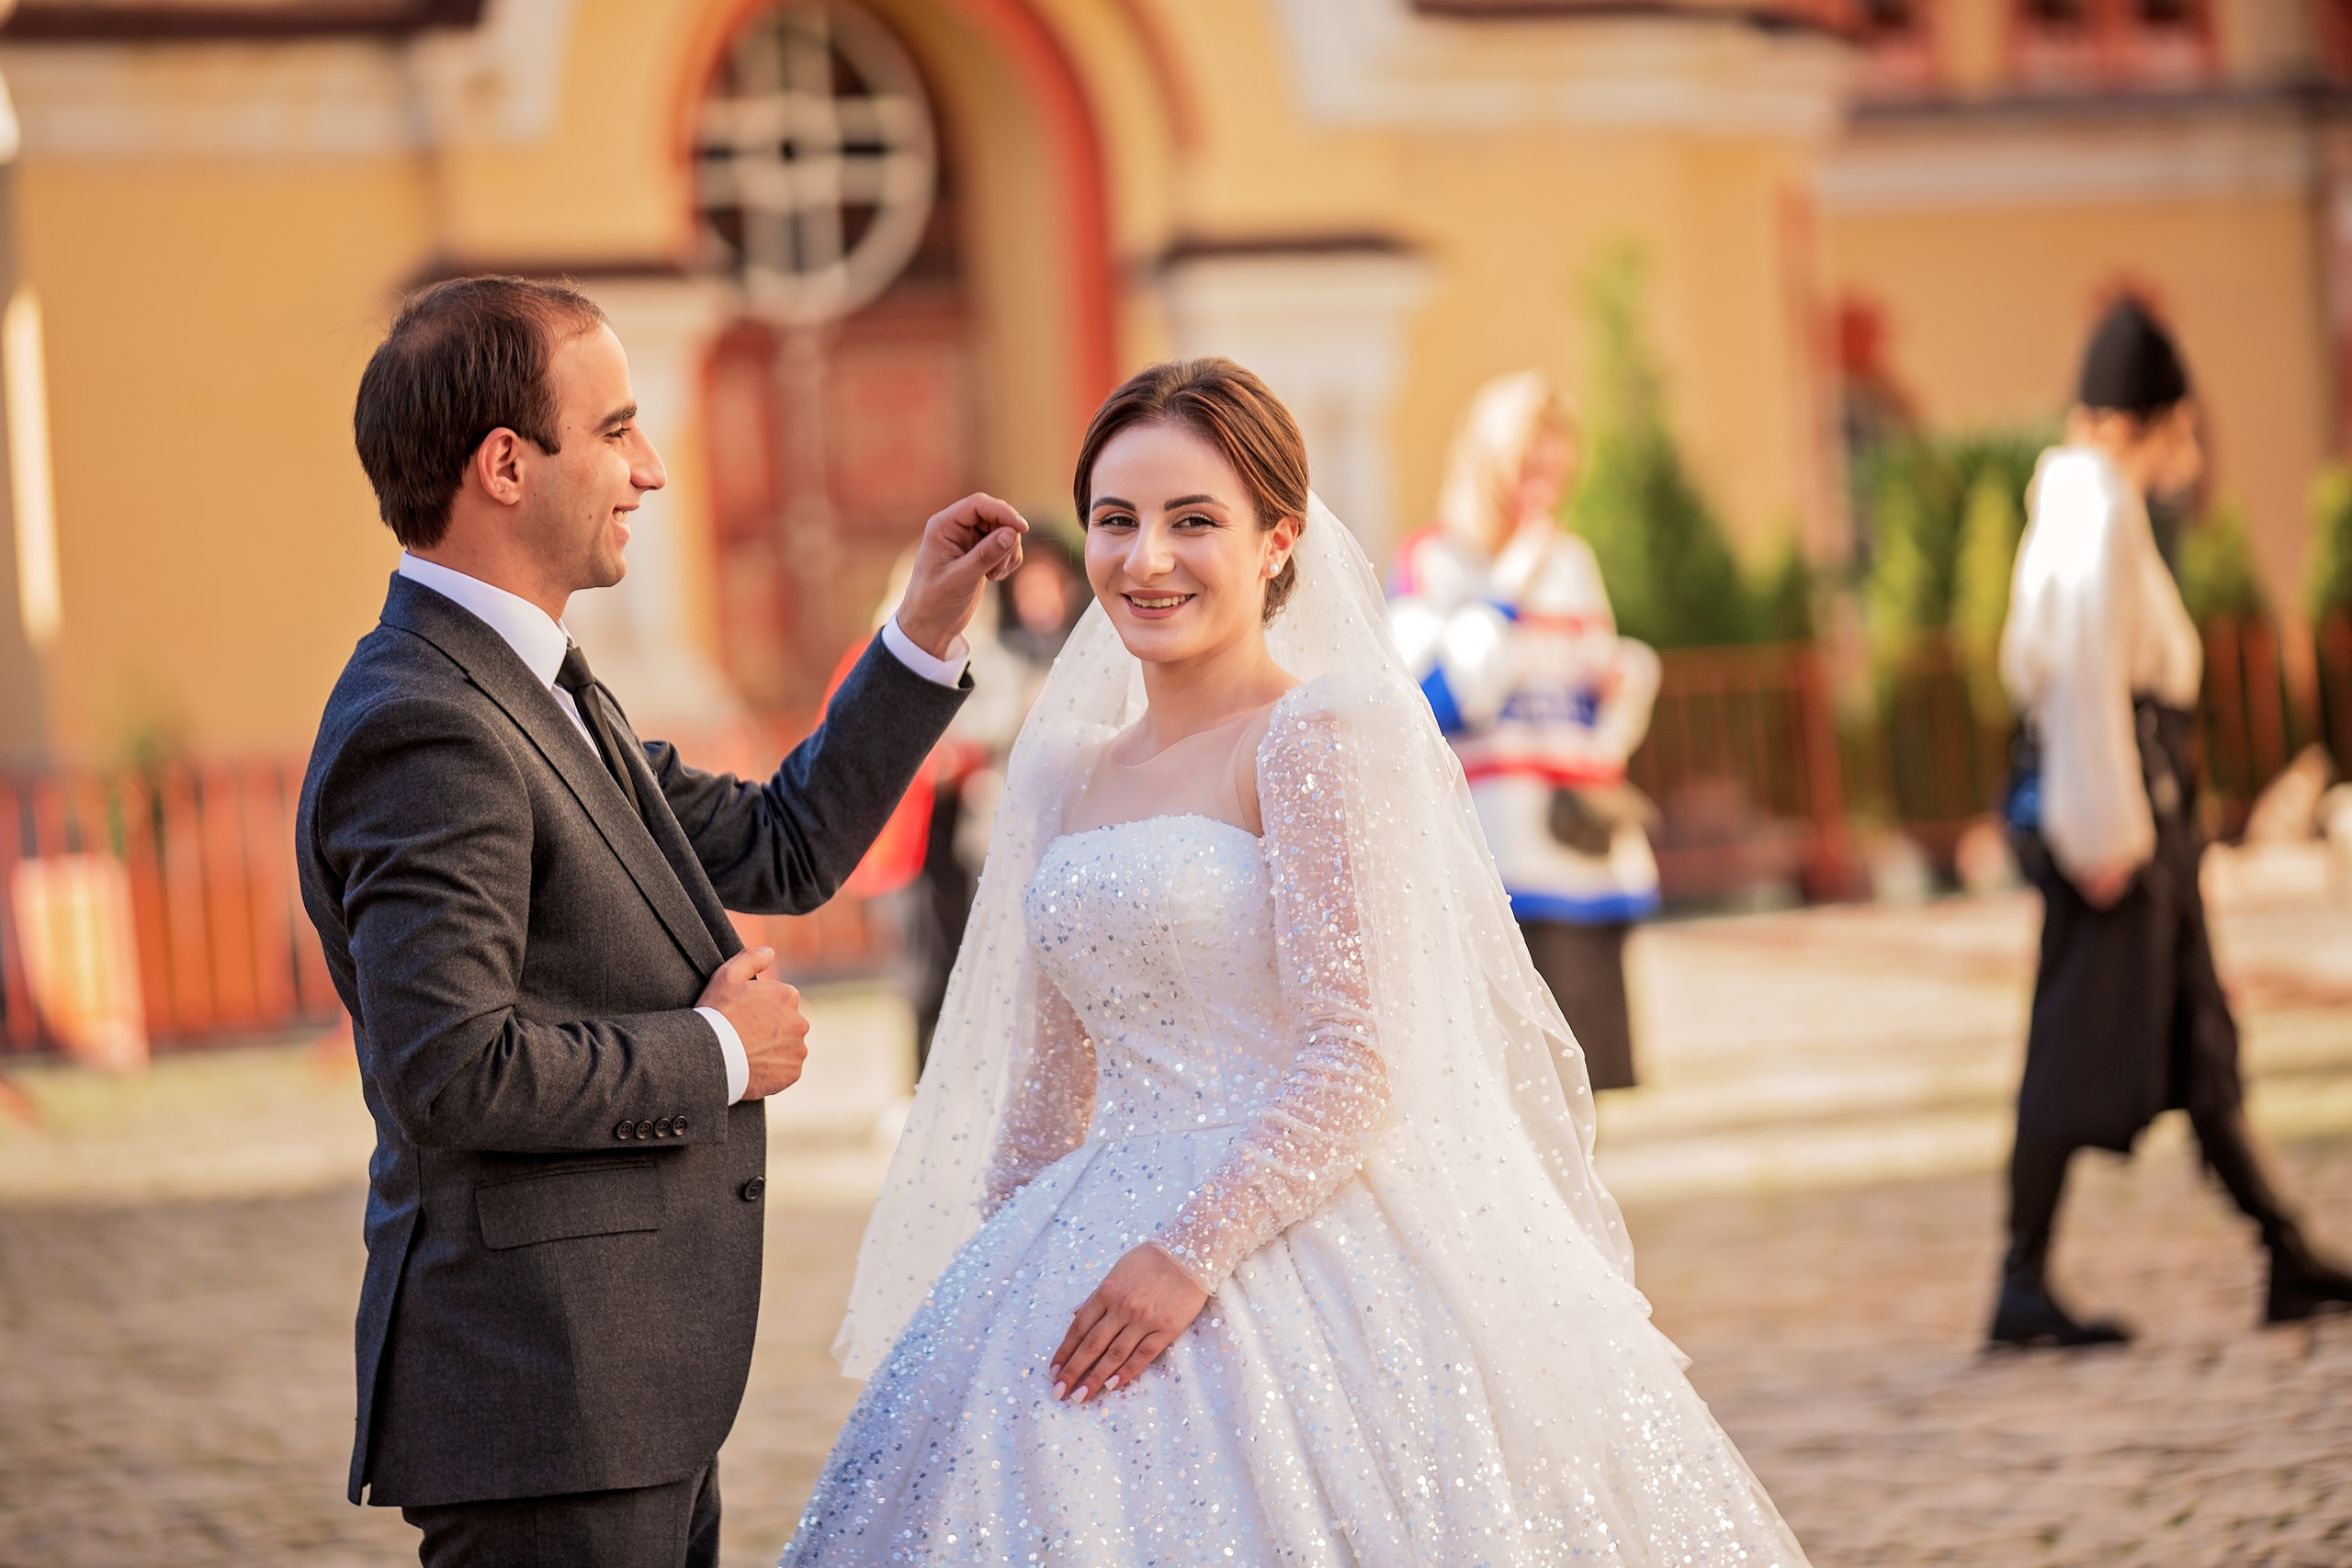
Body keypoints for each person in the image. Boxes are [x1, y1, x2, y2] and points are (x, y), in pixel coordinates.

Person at [784, 359, 1809, 1565]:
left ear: (1278, 541)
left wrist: (1188, 1255)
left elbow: (1355, 1060)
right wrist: (985, 1313)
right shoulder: (1062, 769)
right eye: (1117, 519)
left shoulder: (1315, 735)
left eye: (1192, 520)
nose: (1144, 558)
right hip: (1075, 1232)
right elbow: (1044, 1084)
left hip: (1290, 1239)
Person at [296, 274, 1024, 1566]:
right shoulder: (431, 723)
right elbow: (450, 1069)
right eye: (619, 427)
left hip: (622, 1394)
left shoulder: (539, 682)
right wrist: (726, 1052)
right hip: (543, 1394)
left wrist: (918, 631)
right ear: (508, 464)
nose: (653, 469)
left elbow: (783, 843)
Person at [1993, 297, 2352, 1348]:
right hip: (2120, 814)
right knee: (2073, 1043)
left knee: (2198, 1039)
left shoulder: (2079, 504)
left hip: (2138, 810)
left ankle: (2283, 1247)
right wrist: (2104, 835)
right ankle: (2019, 1280)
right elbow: (2087, 686)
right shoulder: (2095, 508)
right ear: (2143, 422)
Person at [1388, 371, 1661, 1090]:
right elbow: (1430, 705)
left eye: (1557, 470)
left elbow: (1593, 705)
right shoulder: (1431, 560)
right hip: (1498, 865)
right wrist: (1506, 592)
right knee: (1514, 1091)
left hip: (1584, 847)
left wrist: (1624, 683)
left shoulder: (1571, 562)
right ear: (1489, 464)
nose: (1544, 490)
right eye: (1528, 469)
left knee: (1590, 1091)